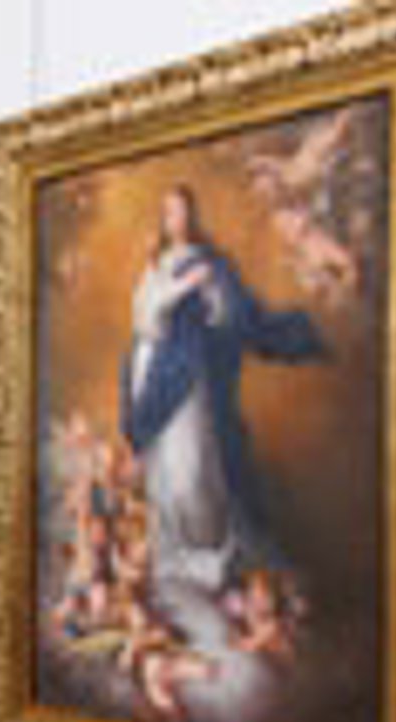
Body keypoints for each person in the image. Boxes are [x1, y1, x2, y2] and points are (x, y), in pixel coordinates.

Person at [120, 184, 327, 595]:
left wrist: (210, 297)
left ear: (192, 215)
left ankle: (207, 556)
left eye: (180, 211)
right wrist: (179, 287)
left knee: (193, 467)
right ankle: (174, 558)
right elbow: (144, 313)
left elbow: (227, 315)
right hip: (154, 367)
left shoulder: (210, 262)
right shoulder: (157, 263)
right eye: (168, 212)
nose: (174, 219)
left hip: (188, 371)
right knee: (163, 470)